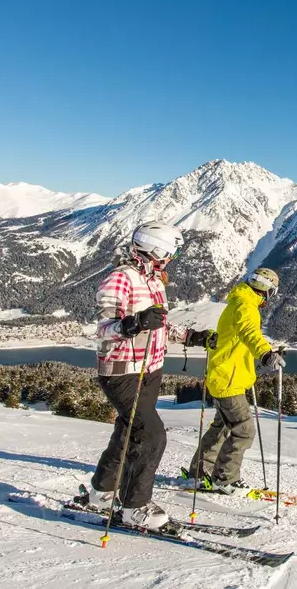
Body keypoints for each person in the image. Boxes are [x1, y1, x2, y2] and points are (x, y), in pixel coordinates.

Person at [86, 222, 215, 530]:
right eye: (170, 252)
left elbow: (159, 324)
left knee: (128, 430)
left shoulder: (154, 281)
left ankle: (102, 491)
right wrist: (132, 324)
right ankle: (134, 507)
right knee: (152, 434)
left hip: (150, 369)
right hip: (122, 371)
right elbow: (103, 330)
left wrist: (193, 337)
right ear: (155, 249)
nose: (171, 258)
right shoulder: (120, 279)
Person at [187, 267, 286, 494]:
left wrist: (266, 351)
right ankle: (225, 479)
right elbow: (250, 333)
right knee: (244, 430)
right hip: (228, 381)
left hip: (225, 377)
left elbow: (239, 337)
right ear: (268, 290)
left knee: (221, 427)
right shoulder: (245, 307)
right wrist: (266, 354)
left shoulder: (238, 301)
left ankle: (199, 472)